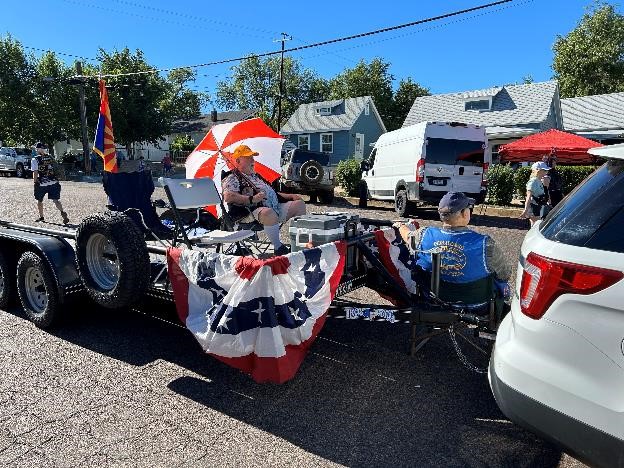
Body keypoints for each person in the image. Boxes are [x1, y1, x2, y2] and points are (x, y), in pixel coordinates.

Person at [395, 191, 511, 305]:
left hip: (432, 302)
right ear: (464, 213)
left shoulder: (423, 235)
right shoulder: (486, 244)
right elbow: (505, 274)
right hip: (477, 306)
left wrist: (400, 226)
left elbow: (407, 235)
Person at [222, 144, 306, 255]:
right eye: (248, 158)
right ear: (238, 161)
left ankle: (300, 244)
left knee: (299, 205)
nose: (253, 160)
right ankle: (278, 248)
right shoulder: (232, 177)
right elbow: (228, 196)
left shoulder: (256, 176)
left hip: (274, 207)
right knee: (268, 213)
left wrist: (290, 196)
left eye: (252, 157)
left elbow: (273, 194)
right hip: (250, 213)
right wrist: (252, 199)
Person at [31, 142, 69, 224]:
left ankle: (41, 217)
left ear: (38, 149)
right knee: (56, 200)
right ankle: (62, 212)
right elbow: (56, 167)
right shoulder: (50, 157)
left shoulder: (35, 159)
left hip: (42, 184)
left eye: (36, 149)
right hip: (53, 182)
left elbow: (35, 172)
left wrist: (35, 182)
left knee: (39, 201)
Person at [521, 161, 551, 226]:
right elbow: (528, 197)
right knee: (536, 225)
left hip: (538, 207)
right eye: (544, 170)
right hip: (533, 208)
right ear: (538, 171)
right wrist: (525, 211)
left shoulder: (539, 181)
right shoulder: (533, 181)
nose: (546, 172)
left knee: (536, 225)